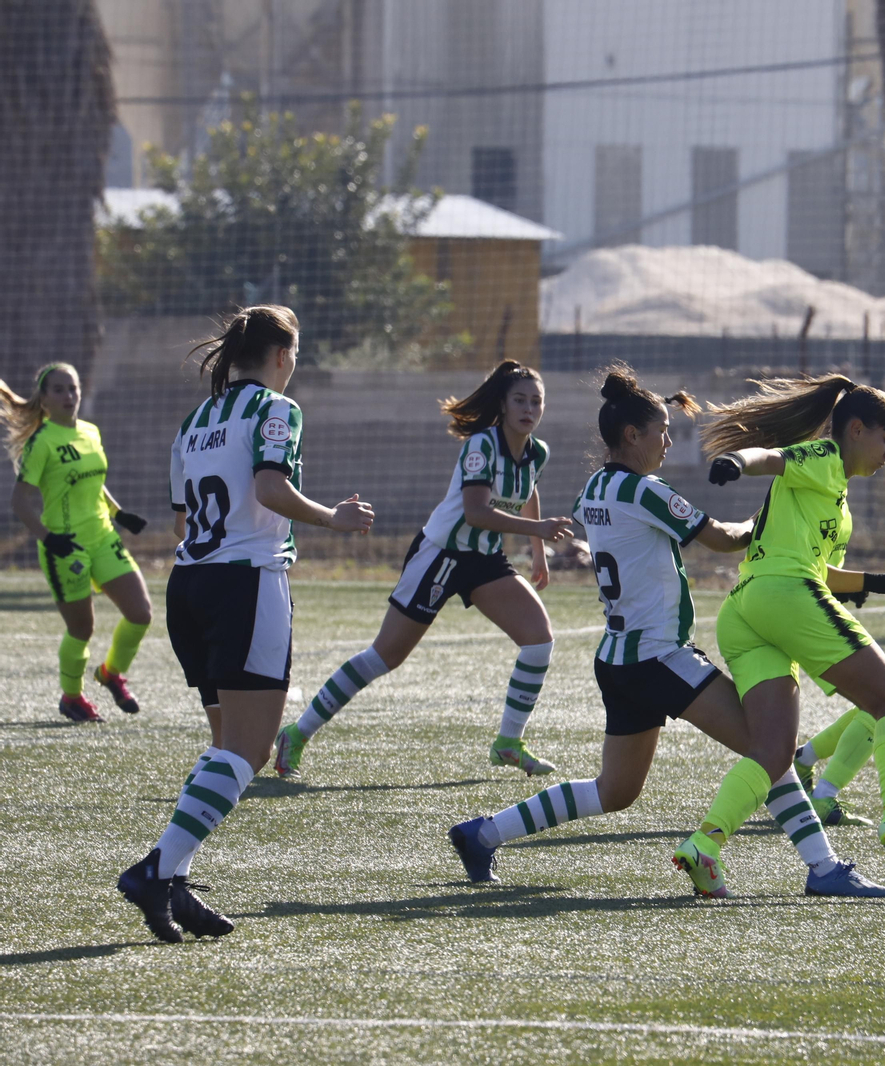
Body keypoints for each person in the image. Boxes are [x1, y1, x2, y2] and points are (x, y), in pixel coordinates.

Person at [447, 367, 885, 898]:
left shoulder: (594, 488)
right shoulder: (646, 490)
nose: (667, 442)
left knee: (614, 791)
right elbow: (724, 540)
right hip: (659, 656)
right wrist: (768, 522)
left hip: (616, 658)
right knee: (768, 748)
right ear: (632, 436)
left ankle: (482, 833)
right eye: (662, 432)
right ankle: (822, 867)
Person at [117, 305, 376, 943]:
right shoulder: (278, 411)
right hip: (247, 585)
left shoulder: (195, 420)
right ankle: (156, 871)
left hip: (190, 584)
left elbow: (183, 522)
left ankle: (172, 882)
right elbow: (269, 488)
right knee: (248, 750)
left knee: (223, 747)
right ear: (283, 356)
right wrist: (331, 518)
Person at [671, 375, 885, 899]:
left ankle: (705, 843)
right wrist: (737, 463)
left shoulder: (838, 504)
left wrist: (883, 582)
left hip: (746, 612)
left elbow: (826, 573)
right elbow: (773, 458)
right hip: (785, 595)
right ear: (856, 430)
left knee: (772, 751)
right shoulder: (823, 458)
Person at [273, 361, 575, 778]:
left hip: (485, 560)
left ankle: (508, 742)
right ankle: (298, 731)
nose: (529, 408)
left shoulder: (536, 452)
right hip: (441, 556)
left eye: (536, 401)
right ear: (502, 406)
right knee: (384, 656)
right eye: (519, 399)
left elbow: (529, 490)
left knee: (539, 640)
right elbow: (475, 512)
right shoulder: (481, 447)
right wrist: (537, 529)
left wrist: (536, 551)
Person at [3, 363, 153, 722]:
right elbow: (20, 501)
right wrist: (48, 539)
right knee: (81, 629)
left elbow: (92, 481)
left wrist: (118, 514)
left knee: (140, 614)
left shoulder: (90, 432)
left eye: (72, 388)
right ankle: (71, 698)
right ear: (44, 398)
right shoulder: (41, 442)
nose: (68, 396)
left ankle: (111, 673)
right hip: (66, 547)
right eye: (59, 390)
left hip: (103, 537)